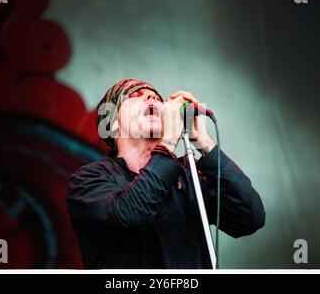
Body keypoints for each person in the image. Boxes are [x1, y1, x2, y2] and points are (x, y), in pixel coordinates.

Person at [66, 78, 265, 269]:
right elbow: (129, 214)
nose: (151, 98)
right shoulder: (88, 179)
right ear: (112, 122)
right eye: (136, 94)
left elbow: (249, 218)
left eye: (157, 98)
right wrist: (169, 141)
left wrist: (204, 142)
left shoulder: (189, 175)